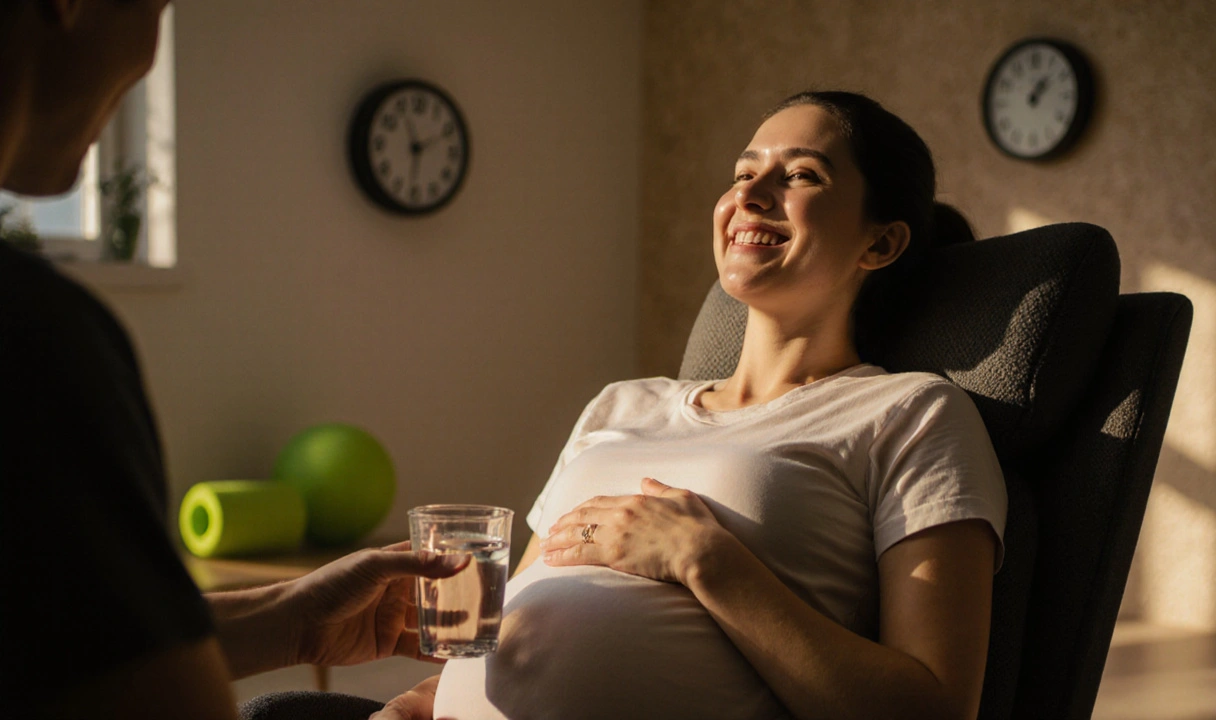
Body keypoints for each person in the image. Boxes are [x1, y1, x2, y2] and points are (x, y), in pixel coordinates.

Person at [378, 91, 1008, 720]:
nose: (749, 194)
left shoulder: (912, 413)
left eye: (800, 175)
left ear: (881, 243)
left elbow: (936, 710)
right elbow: (512, 616)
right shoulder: (619, 404)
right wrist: (413, 705)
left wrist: (703, 559)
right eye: (743, 172)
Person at [0, 2, 465, 717]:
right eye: (157, 6)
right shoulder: (34, 341)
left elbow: (54, 647)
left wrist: (293, 620)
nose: (150, 53)